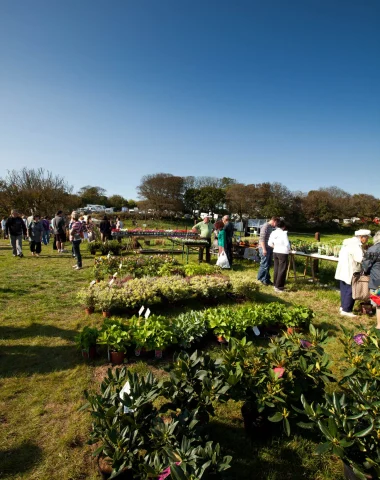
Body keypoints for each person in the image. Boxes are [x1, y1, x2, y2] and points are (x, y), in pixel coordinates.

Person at [335, 229, 371, 317]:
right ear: (362, 237)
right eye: (367, 238)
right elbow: (360, 258)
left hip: (343, 269)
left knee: (344, 288)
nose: (367, 240)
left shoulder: (348, 243)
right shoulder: (356, 245)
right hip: (351, 270)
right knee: (352, 289)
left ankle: (343, 306)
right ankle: (347, 310)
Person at [362, 230, 380, 329]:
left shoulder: (372, 249)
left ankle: (379, 325)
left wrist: (366, 272)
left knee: (379, 304)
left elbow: (366, 265)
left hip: (377, 281)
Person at [268, 220, 291, 292]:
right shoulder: (283, 233)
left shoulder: (273, 232)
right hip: (283, 252)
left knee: (276, 268)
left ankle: (275, 284)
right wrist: (289, 250)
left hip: (275, 251)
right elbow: (287, 244)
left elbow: (269, 243)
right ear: (283, 227)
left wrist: (275, 247)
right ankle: (279, 286)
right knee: (282, 269)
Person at [257, 217, 279, 286]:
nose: (276, 225)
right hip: (264, 248)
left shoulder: (270, 227)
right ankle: (262, 279)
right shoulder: (265, 226)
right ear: (274, 221)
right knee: (264, 264)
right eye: (276, 223)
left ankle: (266, 279)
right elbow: (262, 239)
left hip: (269, 248)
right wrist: (264, 249)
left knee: (268, 264)